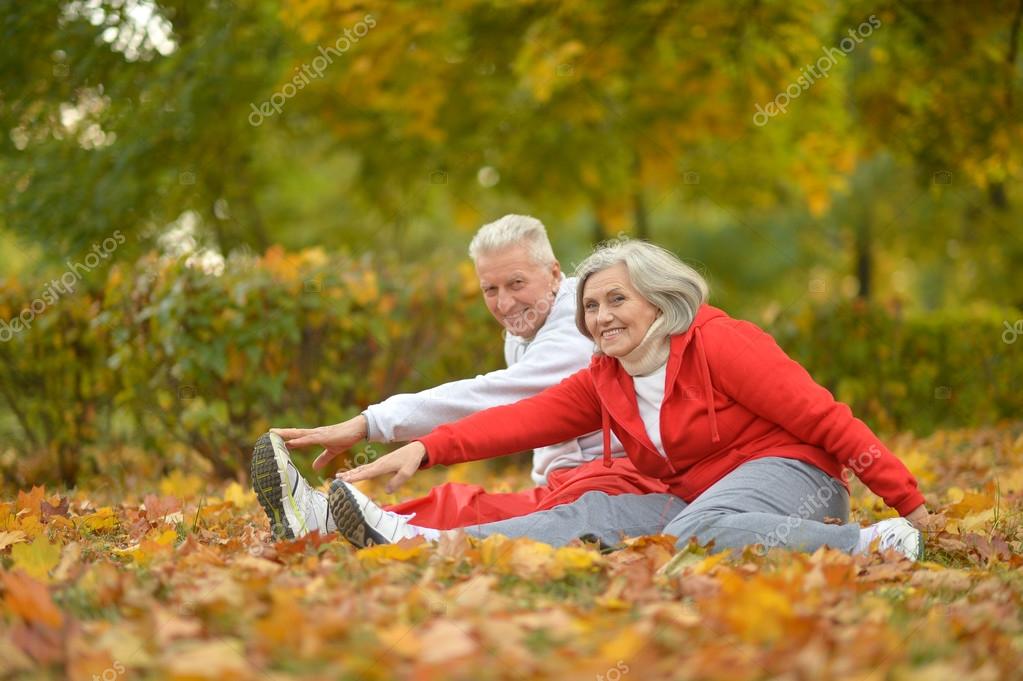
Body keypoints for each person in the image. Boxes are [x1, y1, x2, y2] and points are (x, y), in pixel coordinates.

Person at [328, 240, 931, 560]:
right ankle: (424, 540)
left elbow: (826, 419)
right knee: (589, 513)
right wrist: (426, 448)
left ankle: (870, 546)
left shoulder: (719, 342)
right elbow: (520, 420)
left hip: (797, 479)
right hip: (700, 501)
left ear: (659, 300)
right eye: (591, 306)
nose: (602, 316)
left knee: (702, 529)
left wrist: (910, 508)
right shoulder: (606, 376)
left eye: (617, 300)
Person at [250, 215, 668, 541]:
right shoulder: (526, 327)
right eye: (490, 290)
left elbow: (496, 399)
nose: (505, 303)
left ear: (555, 273)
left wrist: (371, 424)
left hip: (620, 479)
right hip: (574, 479)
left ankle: (347, 526)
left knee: (504, 511)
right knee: (466, 500)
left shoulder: (584, 324)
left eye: (516, 283)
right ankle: (326, 520)